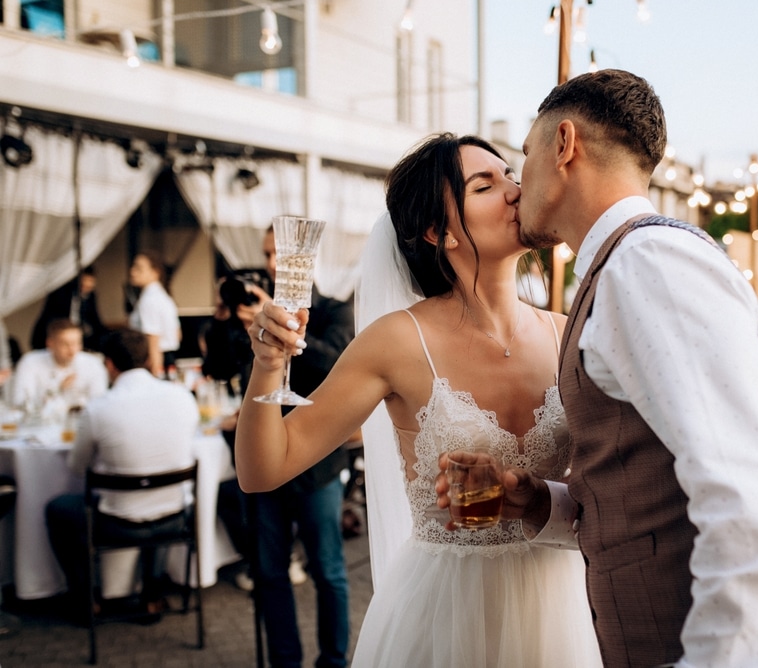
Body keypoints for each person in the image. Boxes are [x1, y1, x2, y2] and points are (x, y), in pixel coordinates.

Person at [480, 69, 758, 667]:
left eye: (525, 157)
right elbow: (650, 484)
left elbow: (748, 496)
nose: (518, 186)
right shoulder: (631, 265)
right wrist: (545, 503)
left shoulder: (648, 265)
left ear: (564, 143)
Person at [236, 133, 601, 667]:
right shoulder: (398, 342)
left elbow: (609, 485)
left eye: (510, 175)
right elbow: (263, 469)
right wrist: (268, 366)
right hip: (444, 618)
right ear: (439, 231)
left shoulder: (568, 334)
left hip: (559, 611)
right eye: (485, 184)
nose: (514, 190)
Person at [233, 226, 355, 668]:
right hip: (263, 458)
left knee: (328, 570)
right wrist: (240, 325)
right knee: (269, 571)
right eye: (268, 255)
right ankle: (285, 662)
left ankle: (334, 661)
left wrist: (291, 340)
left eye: (279, 255)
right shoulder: (258, 315)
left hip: (318, 463)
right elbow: (223, 365)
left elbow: (339, 365)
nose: (271, 264)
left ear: (305, 260)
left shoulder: (336, 309)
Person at [45, 329, 198, 622]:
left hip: (117, 523)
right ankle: (152, 595)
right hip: (176, 518)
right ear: (148, 361)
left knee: (58, 510)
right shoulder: (182, 398)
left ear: (110, 365)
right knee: (159, 500)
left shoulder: (99, 408)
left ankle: (86, 598)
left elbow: (78, 468)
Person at [9, 319, 108, 420]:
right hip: (40, 426)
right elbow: (20, 402)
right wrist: (57, 389)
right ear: (50, 343)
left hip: (82, 425)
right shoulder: (30, 362)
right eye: (65, 344)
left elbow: (99, 403)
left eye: (76, 343)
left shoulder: (92, 364)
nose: (72, 349)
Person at [128, 251, 181, 378]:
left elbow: (153, 338)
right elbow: (178, 334)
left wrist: (155, 372)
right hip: (168, 357)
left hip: (155, 359)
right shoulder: (162, 296)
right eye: (133, 267)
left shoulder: (150, 300)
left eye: (139, 268)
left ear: (155, 272)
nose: (133, 272)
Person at [31, 266, 108, 352]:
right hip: (60, 332)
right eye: (84, 281)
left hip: (81, 335)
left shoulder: (90, 296)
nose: (87, 285)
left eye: (91, 281)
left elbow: (95, 319)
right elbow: (51, 318)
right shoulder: (61, 293)